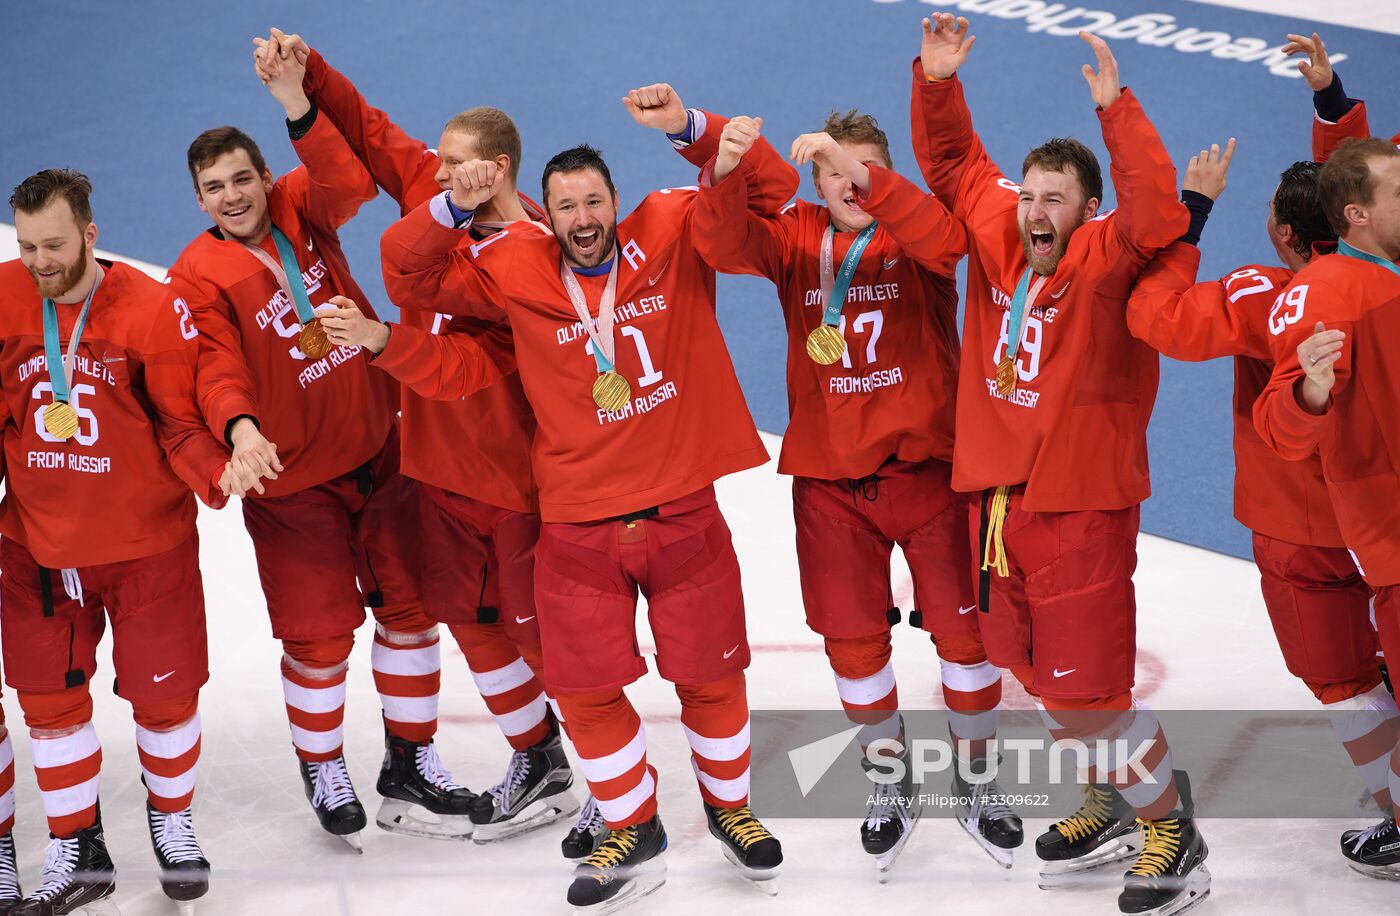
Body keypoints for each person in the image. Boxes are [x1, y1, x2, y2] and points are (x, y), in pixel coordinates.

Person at [381, 85, 795, 911]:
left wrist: (693, 129)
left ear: (614, 200)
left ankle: (731, 811)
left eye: (594, 202)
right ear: (550, 209)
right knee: (584, 689)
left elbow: (769, 194)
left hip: (681, 508)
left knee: (711, 678)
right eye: (566, 205)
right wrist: (451, 207)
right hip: (576, 523)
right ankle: (630, 825)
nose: (581, 219)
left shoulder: (669, 226)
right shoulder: (513, 264)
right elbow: (410, 276)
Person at [251, 28, 588, 853]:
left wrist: (376, 341)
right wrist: (307, 78)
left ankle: (613, 781)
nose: (431, 174)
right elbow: (369, 132)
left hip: (510, 482)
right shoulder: (438, 195)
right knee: (468, 622)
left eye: (452, 166)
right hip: (433, 473)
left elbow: (462, 369)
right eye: (436, 163)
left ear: (494, 172)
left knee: (543, 639)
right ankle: (538, 757)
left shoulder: (535, 259)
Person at [913, 14, 1207, 913]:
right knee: (1039, 677)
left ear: (1087, 210)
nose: (1038, 212)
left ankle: (1173, 833)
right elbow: (957, 166)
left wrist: (1117, 113)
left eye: (1057, 200)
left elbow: (1158, 212)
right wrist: (936, 85)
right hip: (999, 507)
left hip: (1080, 508)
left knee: (1091, 695)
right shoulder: (1004, 231)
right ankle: (1111, 798)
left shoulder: (1110, 255)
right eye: (1032, 196)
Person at [690, 110, 1018, 874]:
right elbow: (719, 241)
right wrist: (724, 167)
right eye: (833, 169)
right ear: (813, 183)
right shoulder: (796, 236)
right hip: (832, 482)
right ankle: (890, 783)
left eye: (862, 167)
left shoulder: (917, 229)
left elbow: (947, 241)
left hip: (931, 473)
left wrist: (864, 171)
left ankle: (977, 784)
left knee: (967, 642)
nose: (849, 183)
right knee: (852, 646)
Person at [166, 35, 474, 849]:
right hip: (294, 483)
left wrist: (299, 103)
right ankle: (323, 763)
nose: (232, 197)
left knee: (411, 612)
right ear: (198, 202)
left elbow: (350, 178)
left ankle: (411, 759)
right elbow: (213, 364)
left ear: (267, 178)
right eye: (214, 189)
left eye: (242, 179)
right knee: (319, 636)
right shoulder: (199, 274)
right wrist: (240, 428)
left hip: (380, 452)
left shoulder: (302, 205)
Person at [1127, 51, 1400, 855]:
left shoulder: (1262, 294)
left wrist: (1189, 220)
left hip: (1301, 516)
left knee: (1344, 679)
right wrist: (1331, 100)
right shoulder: (1369, 271)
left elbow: (1157, 317)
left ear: (1283, 232)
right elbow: (1355, 189)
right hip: (1378, 511)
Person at [2, 168, 246, 913]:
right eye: (28, 245)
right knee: (50, 705)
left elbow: (177, 421)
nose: (41, 261)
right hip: (39, 551)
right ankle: (78, 848)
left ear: (90, 235)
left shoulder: (149, 307)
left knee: (165, 702)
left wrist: (222, 467)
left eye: (55, 245)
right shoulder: (4, 298)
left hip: (146, 547)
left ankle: (172, 823)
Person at [1255, 136, 1400, 879]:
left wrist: (1332, 99)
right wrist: (1311, 389)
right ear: (1357, 216)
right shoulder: (1329, 291)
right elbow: (1278, 425)